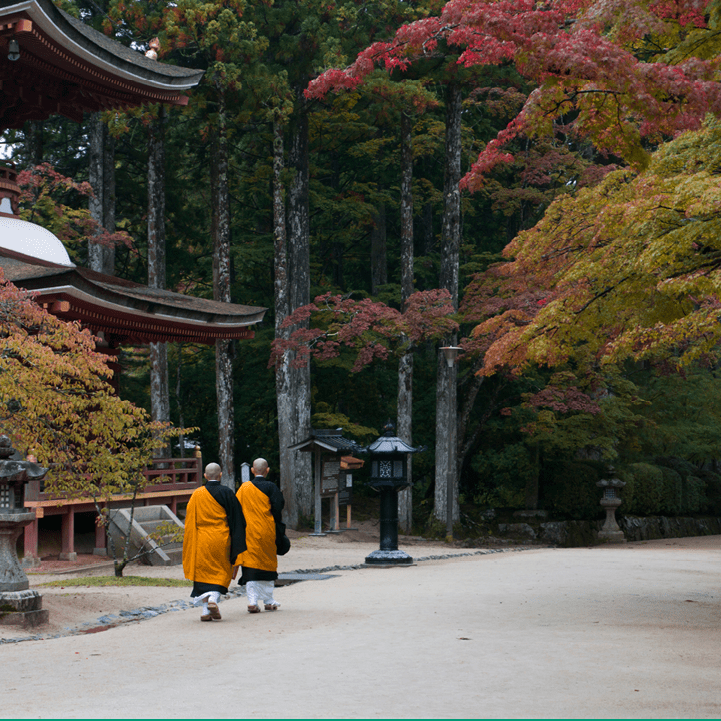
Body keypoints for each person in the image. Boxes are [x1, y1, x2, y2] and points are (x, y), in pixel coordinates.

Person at [183, 462, 246, 622]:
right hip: (221, 539)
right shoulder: (227, 492)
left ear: (205, 476)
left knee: (203, 574)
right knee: (221, 571)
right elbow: (238, 519)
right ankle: (213, 600)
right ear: (220, 475)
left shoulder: (197, 494)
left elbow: (189, 520)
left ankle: (205, 611)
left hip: (202, 539)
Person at [235, 458, 285, 613]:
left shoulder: (244, 488)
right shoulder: (271, 487)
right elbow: (278, 507)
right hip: (266, 531)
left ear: (252, 470)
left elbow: (236, 508)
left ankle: (252, 600)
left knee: (250, 566)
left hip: (248, 531)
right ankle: (269, 600)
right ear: (267, 470)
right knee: (268, 565)